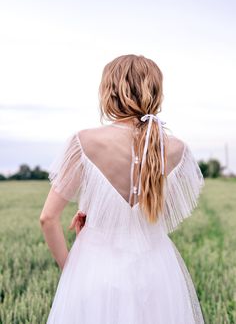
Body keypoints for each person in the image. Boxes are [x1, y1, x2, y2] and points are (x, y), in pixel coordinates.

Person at [40, 54, 205, 324]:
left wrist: (72, 271)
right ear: (155, 91)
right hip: (158, 272)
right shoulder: (178, 150)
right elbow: (151, 215)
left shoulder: (84, 141)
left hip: (95, 267)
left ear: (109, 91)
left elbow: (48, 218)